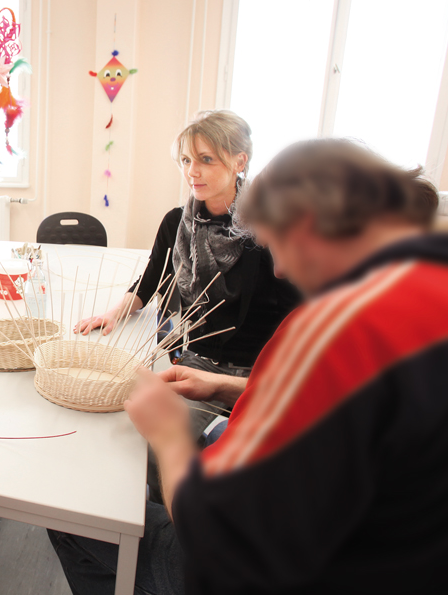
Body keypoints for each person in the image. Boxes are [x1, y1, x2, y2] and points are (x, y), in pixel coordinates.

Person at [119, 139, 448, 595]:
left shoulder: (338, 327)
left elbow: (222, 534)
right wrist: (227, 386)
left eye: (277, 246)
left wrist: (165, 434)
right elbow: (380, 412)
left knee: (104, 524)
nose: (281, 270)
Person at [76, 110, 300, 437]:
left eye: (206, 159)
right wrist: (114, 313)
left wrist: (269, 381)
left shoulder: (263, 229)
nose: (192, 172)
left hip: (256, 369)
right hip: (199, 359)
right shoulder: (177, 223)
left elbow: (295, 314)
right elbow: (151, 280)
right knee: (135, 437)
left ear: (240, 162)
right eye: (185, 160)